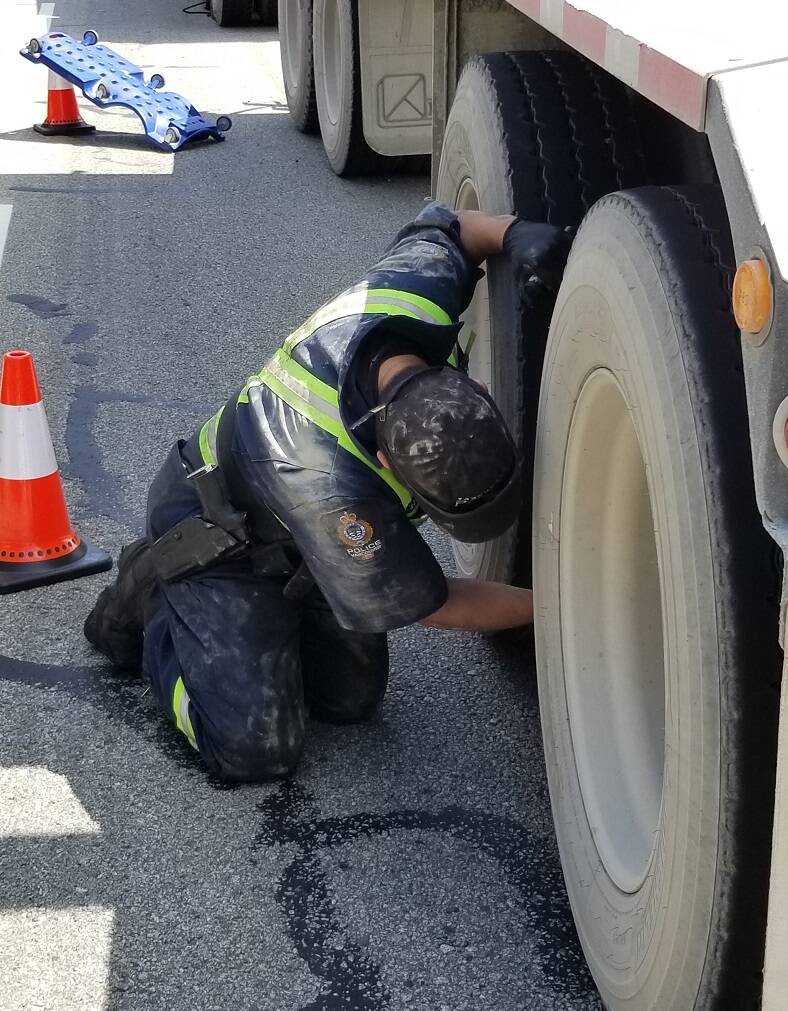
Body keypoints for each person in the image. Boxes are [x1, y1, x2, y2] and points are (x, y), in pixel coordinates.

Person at [84, 202, 571, 782]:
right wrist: (558, 608)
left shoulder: (405, 302)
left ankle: (265, 625)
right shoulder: (329, 488)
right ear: (386, 457)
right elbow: (440, 605)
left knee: (348, 702)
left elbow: (454, 227)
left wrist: (517, 235)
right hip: (217, 541)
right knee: (256, 748)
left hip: (293, 536)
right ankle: (156, 595)